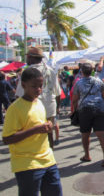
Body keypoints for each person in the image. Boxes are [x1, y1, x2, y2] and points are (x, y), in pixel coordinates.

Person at [2, 67, 62, 196]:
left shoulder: (39, 103)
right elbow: (7, 138)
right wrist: (35, 130)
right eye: (34, 86)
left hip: (48, 160)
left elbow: (38, 124)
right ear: (23, 85)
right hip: (27, 164)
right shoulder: (14, 108)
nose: (39, 90)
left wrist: (48, 126)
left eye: (41, 86)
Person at [15, 47, 61, 148]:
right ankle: (50, 155)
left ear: (31, 58)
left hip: (32, 106)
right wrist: (57, 108)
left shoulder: (27, 72)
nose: (27, 58)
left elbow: (19, 94)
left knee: (33, 133)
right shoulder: (51, 71)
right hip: (50, 106)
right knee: (49, 133)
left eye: (27, 56)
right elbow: (57, 92)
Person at [72, 63, 104, 167]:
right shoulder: (99, 82)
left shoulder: (78, 83)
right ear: (92, 70)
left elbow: (75, 99)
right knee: (101, 134)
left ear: (82, 71)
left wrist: (74, 110)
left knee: (85, 134)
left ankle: (87, 155)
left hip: (85, 110)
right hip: (99, 108)